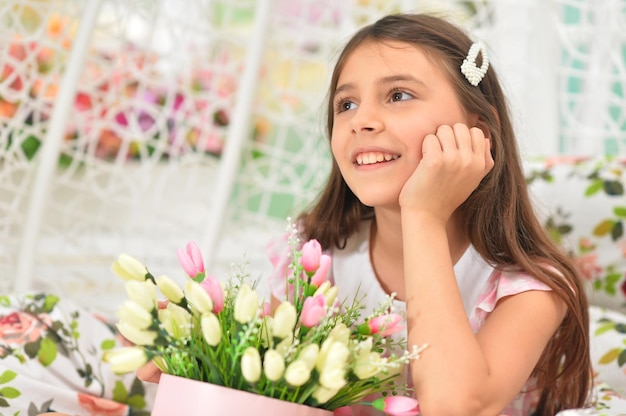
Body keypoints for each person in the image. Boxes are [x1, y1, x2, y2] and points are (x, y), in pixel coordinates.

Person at [139, 12, 594, 416]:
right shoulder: (319, 259)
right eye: (346, 104)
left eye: (398, 95)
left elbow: (454, 407)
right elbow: (275, 389)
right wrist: (199, 366)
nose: (362, 120)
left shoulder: (531, 287)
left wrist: (424, 216)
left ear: (476, 131)